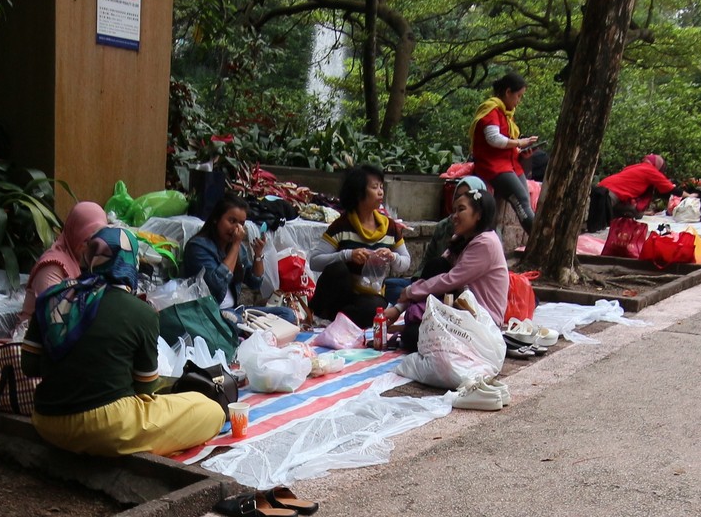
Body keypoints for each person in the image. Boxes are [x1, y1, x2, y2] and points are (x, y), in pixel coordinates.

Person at [22, 227, 225, 456]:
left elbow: (29, 366)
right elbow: (145, 388)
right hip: (105, 428)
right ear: (130, 262)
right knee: (209, 410)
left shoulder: (53, 298)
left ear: (88, 257)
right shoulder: (140, 311)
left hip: (46, 421)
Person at [384, 189, 509, 352]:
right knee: (436, 264)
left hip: (482, 321)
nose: (454, 216)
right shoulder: (461, 240)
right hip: (461, 311)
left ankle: (416, 324)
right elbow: (436, 271)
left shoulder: (486, 243)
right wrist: (399, 307)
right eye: (454, 210)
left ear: (478, 214)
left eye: (461, 209)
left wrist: (410, 291)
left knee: (413, 336)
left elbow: (451, 280)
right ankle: (416, 321)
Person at [308, 165, 410, 327]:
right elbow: (314, 261)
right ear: (359, 192)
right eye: (374, 187)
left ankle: (338, 321)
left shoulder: (390, 227)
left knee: (374, 309)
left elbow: (405, 262)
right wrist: (348, 255)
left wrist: (392, 257)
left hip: (368, 295)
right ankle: (324, 315)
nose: (380, 192)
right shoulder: (341, 225)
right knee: (338, 269)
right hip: (339, 295)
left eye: (381, 187)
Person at [181, 193, 298, 327]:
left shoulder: (237, 248)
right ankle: (249, 330)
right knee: (235, 321)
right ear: (216, 219)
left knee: (287, 314)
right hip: (209, 314)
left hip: (236, 311)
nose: (237, 228)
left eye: (241, 223)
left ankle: (250, 330)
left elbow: (255, 282)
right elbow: (216, 285)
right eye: (232, 221)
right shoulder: (198, 247)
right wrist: (236, 245)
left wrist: (258, 255)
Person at [471, 71, 540, 233]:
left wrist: (522, 150)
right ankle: (539, 241)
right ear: (508, 92)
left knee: (523, 202)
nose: (519, 102)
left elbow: (506, 144)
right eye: (518, 96)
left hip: (511, 165)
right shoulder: (491, 110)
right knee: (521, 201)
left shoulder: (506, 114)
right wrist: (519, 142)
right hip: (494, 167)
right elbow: (494, 139)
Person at [20, 201, 108, 323]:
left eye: (96, 241)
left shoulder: (87, 263)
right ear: (74, 233)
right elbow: (52, 318)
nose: (90, 247)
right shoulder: (53, 267)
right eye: (85, 240)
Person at [587, 154, 678, 232]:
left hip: (601, 188)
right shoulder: (651, 170)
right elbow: (671, 189)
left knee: (633, 212)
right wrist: (689, 196)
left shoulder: (635, 167)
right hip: (610, 194)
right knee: (597, 222)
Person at [420, 176, 488, 269]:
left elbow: (456, 278)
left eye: (467, 196)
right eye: (457, 196)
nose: (460, 200)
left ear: (478, 211)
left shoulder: (486, 240)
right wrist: (417, 281)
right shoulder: (444, 226)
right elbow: (427, 262)